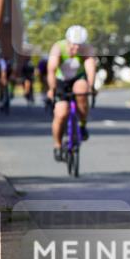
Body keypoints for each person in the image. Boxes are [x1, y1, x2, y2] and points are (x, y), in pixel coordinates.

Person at [46, 26, 97, 161]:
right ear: (67, 41)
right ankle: (57, 144)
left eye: (79, 46)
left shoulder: (87, 49)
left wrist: (91, 86)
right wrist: (52, 89)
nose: (76, 49)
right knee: (61, 112)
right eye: (73, 46)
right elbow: (51, 70)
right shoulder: (58, 48)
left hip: (78, 78)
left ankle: (82, 124)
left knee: (82, 89)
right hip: (61, 80)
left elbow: (90, 67)